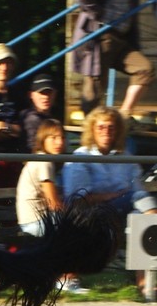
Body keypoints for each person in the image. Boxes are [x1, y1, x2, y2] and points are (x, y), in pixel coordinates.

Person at [63, 105, 157, 292]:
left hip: (124, 211)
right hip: (93, 212)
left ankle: (144, 282)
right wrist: (114, 196)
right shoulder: (81, 156)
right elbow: (78, 198)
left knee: (142, 217)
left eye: (111, 127)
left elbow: (138, 188)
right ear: (92, 130)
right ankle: (153, 214)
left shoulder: (125, 157)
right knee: (143, 206)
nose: (106, 131)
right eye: (101, 127)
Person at [73, 0, 157, 118]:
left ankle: (124, 115)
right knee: (94, 89)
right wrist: (102, 15)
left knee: (144, 69)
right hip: (102, 39)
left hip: (121, 40)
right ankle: (90, 130)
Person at [0, 43, 27, 188]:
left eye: (8, 63)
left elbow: (23, 130)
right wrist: (10, 130)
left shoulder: (18, 95)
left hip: (14, 159)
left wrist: (2, 126)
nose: (4, 68)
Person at [16, 118, 66, 237]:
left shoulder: (40, 158)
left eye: (62, 137)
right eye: (53, 138)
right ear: (43, 139)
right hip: (37, 224)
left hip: (31, 222)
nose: (59, 142)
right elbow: (53, 203)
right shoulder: (44, 161)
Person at [19, 74, 60, 152]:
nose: (45, 97)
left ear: (55, 94)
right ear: (31, 95)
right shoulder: (31, 119)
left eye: (49, 92)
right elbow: (32, 149)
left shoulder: (53, 118)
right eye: (41, 93)